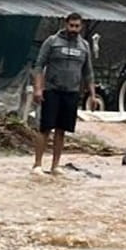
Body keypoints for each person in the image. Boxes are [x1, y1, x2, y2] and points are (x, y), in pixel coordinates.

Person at [31, 12, 96, 176]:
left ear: (81, 27)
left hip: (71, 93)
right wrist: (38, 89)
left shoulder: (84, 46)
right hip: (52, 91)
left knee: (61, 130)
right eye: (71, 25)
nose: (74, 29)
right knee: (45, 128)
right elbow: (38, 66)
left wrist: (93, 95)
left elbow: (88, 72)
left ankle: (55, 166)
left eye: (77, 26)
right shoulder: (52, 42)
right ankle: (37, 165)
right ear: (65, 24)